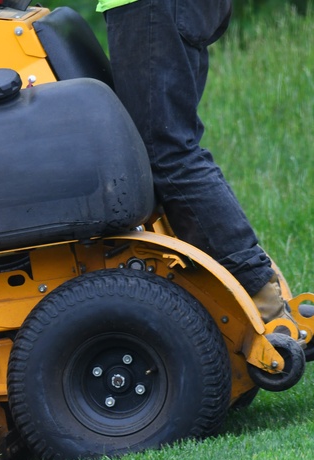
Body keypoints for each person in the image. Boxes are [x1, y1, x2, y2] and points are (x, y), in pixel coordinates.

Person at [99, 0, 296, 325]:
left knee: (168, 155)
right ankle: (259, 289)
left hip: (153, 7)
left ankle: (267, 308)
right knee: (172, 150)